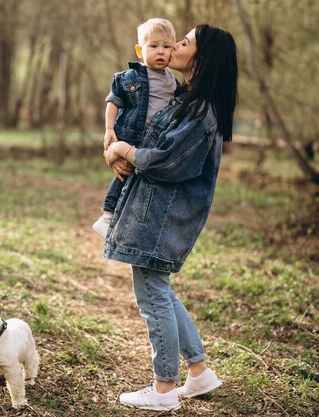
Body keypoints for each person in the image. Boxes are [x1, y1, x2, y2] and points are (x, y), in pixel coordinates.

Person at [103, 24, 238, 411]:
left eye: (184, 42)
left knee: (152, 295)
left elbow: (167, 161)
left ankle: (163, 389)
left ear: (201, 57)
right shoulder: (185, 99)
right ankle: (198, 372)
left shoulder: (201, 111)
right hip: (152, 209)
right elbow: (142, 136)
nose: (175, 47)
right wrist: (115, 147)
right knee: (159, 289)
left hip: (161, 216)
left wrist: (127, 151)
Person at [92, 18, 179, 238]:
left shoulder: (173, 81)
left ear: (173, 49)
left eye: (166, 46)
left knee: (137, 181)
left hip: (154, 141)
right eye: (154, 46)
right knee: (123, 174)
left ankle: (122, 219)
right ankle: (107, 215)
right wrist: (109, 129)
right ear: (140, 51)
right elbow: (114, 101)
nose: (161, 51)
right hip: (131, 135)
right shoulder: (131, 77)